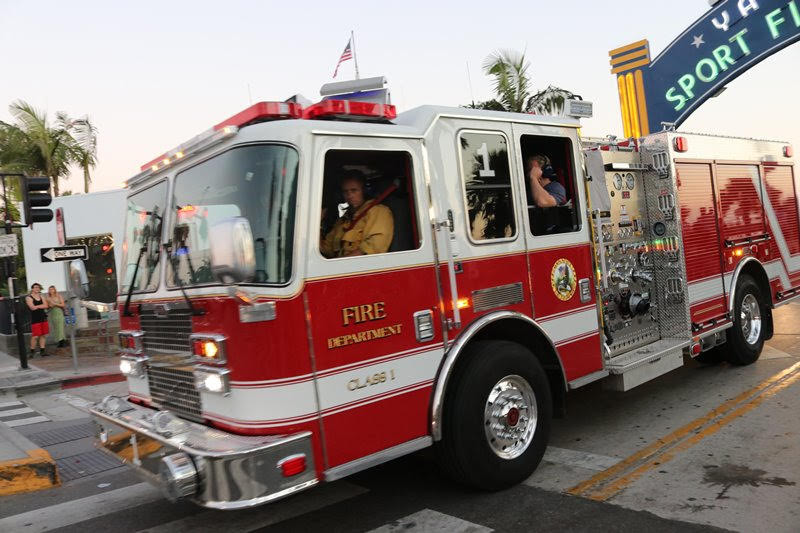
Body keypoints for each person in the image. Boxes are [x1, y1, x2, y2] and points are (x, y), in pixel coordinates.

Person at [320, 170, 394, 258]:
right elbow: (326, 249)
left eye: (354, 190)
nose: (349, 195)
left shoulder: (379, 212)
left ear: (364, 190)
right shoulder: (343, 219)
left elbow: (374, 247)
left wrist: (339, 264)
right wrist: (317, 223)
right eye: (345, 192)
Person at [26, 283, 49, 357]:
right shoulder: (29, 298)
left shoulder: (42, 296)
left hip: (43, 317)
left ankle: (42, 351)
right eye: (35, 287)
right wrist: (40, 306)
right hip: (35, 318)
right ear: (32, 289)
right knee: (35, 336)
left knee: (43, 335)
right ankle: (32, 351)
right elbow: (32, 308)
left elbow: (46, 306)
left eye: (38, 287)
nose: (37, 289)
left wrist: (37, 306)